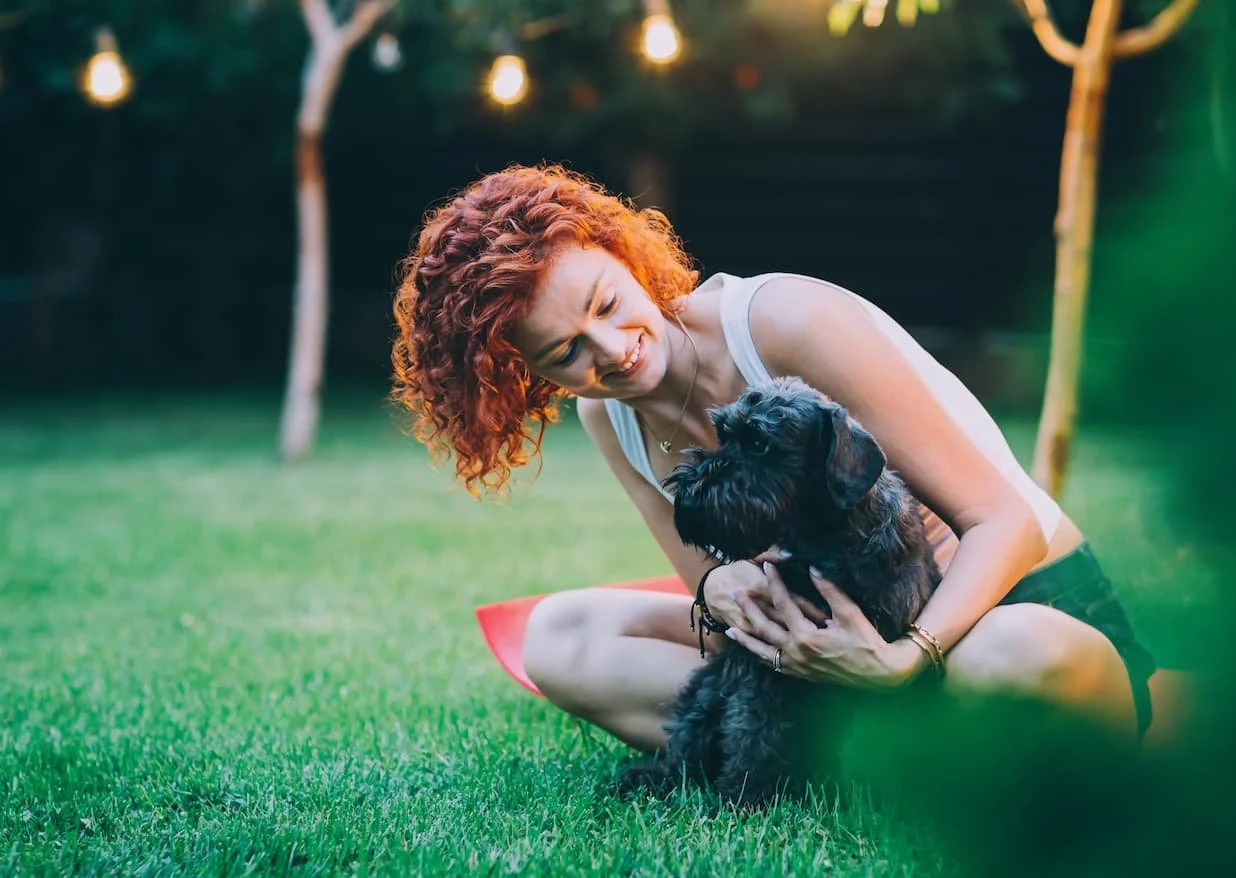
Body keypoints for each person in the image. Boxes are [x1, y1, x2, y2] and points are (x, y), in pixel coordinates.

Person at [390, 164, 1157, 755]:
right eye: (566, 352)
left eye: (606, 305)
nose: (614, 351)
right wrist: (724, 586)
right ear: (527, 376)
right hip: (836, 649)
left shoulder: (784, 321)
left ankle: (883, 745)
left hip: (1006, 609)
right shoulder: (607, 418)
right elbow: (725, 620)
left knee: (1008, 660)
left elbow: (1006, 522)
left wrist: (901, 659)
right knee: (560, 636)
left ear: (621, 253)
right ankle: (879, 754)